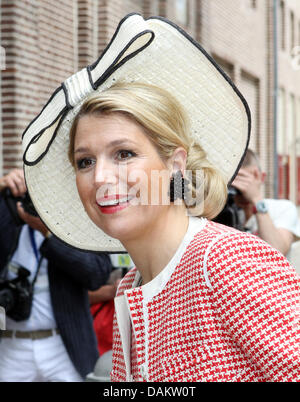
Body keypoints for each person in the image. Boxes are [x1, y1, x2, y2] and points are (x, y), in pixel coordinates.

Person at [21, 14, 299, 382]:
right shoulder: (131, 284)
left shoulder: (226, 262)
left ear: (176, 165)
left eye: (123, 154)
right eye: (84, 161)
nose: (100, 177)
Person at [0, 168, 112, 382]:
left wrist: (48, 233)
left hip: (63, 344)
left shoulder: (75, 222)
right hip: (10, 345)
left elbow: (96, 274)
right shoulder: (8, 213)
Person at [232, 148, 300, 257]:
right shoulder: (223, 210)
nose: (241, 191)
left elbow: (277, 252)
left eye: (244, 180)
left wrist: (256, 199)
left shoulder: (283, 208)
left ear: (260, 177)